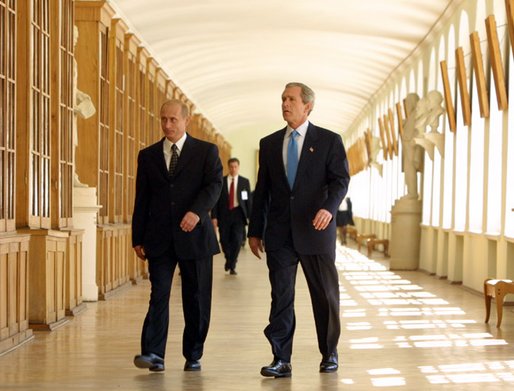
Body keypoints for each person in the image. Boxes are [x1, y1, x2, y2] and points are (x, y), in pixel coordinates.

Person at [248, 82, 350, 377]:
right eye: (282, 99)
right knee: (281, 296)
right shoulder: (268, 144)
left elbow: (340, 180)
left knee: (325, 295)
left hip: (316, 230)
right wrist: (255, 230)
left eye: (291, 99)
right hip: (279, 233)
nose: (285, 104)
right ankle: (281, 358)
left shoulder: (329, 140)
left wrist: (329, 208)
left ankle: (329, 352)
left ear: (308, 106)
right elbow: (262, 190)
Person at [131, 99, 223, 372]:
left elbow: (214, 185)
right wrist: (137, 237)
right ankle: (153, 353)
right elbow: (142, 199)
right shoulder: (147, 156)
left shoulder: (206, 152)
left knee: (196, 297)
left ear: (186, 121)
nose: (167, 125)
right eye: (163, 119)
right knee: (159, 293)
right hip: (159, 237)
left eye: (173, 119)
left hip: (195, 236)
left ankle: (193, 353)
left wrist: (197, 212)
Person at [211, 157, 252, 275]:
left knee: (237, 240)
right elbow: (216, 201)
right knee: (224, 240)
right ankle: (228, 259)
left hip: (239, 214)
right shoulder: (222, 181)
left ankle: (232, 264)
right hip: (224, 214)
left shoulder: (245, 182)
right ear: (228, 167)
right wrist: (214, 216)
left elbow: (248, 200)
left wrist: (250, 217)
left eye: (235, 167)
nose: (233, 169)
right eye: (231, 167)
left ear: (238, 167)